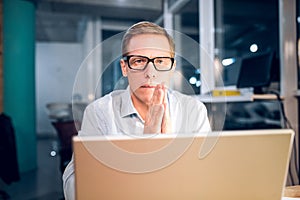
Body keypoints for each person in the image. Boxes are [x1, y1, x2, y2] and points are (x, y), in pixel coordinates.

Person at [62, 21, 211, 200]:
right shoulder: (100, 112)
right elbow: (74, 187)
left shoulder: (193, 110)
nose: (150, 73)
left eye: (161, 61)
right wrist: (145, 147)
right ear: (125, 68)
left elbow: (206, 180)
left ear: (171, 67)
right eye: (139, 61)